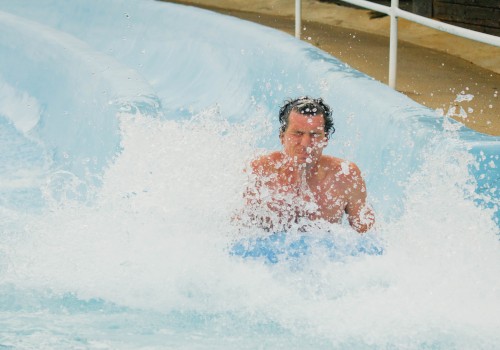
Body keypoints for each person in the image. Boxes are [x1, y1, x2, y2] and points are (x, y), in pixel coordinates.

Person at [243, 96, 375, 233]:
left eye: (315, 135)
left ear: (325, 139)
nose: (306, 143)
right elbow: (237, 230)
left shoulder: (345, 175)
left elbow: (368, 236)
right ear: (282, 136)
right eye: (298, 133)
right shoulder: (260, 170)